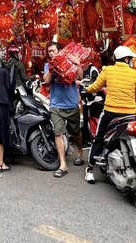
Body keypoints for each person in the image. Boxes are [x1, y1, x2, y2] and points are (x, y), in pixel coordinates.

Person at [83, 45, 136, 183]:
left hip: (111, 113)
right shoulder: (135, 74)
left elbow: (94, 88)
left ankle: (90, 169)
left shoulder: (107, 70)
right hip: (130, 115)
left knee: (98, 138)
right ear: (127, 59)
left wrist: (87, 88)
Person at [44, 41, 84, 178]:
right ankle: (63, 164)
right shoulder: (48, 65)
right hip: (56, 105)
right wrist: (52, 67)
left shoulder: (70, 62)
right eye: (49, 52)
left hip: (72, 104)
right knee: (58, 133)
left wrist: (77, 64)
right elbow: (47, 80)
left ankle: (79, 151)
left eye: (53, 51)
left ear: (60, 51)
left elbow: (80, 77)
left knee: (76, 131)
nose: (51, 53)